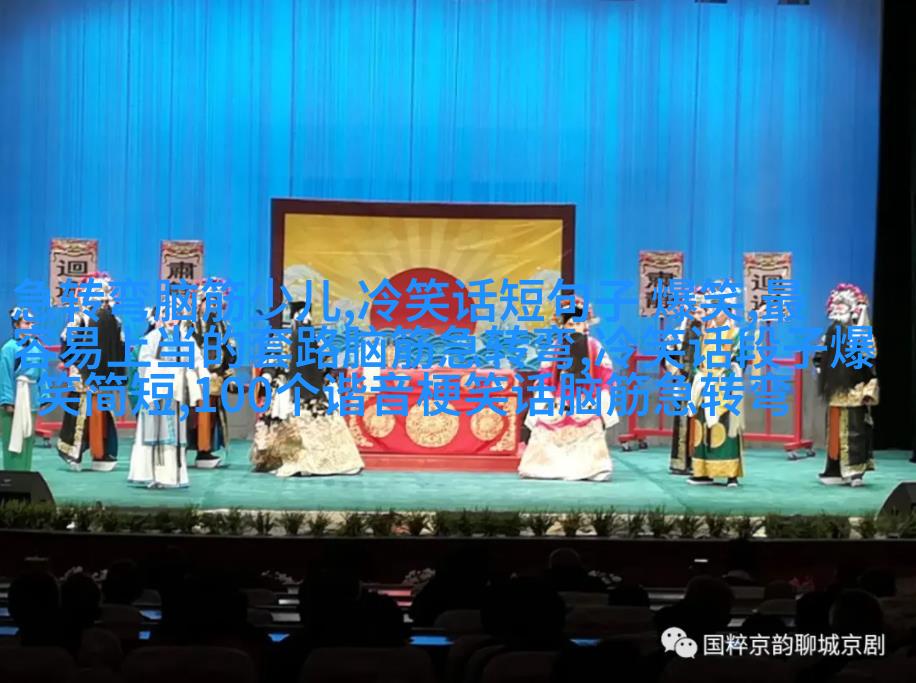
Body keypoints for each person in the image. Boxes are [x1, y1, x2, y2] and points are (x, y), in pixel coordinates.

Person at [250, 301, 364, 477]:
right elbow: (271, 363)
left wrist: (328, 377)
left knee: (322, 422)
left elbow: (326, 366)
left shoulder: (316, 341)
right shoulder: (281, 340)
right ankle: (290, 459)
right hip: (287, 390)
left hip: (315, 391)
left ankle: (329, 461)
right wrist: (267, 376)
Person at [519, 297, 617, 481]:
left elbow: (605, 373)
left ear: (585, 325)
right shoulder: (556, 348)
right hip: (558, 399)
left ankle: (591, 469)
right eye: (570, 324)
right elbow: (545, 374)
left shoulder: (594, 347)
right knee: (547, 421)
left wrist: (602, 394)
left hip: (585, 398)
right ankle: (543, 468)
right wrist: (544, 394)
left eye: (578, 324)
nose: (574, 328)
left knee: (588, 422)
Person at [127, 310, 206, 488]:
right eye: (167, 315)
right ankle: (149, 474)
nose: (171, 320)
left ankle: (171, 476)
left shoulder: (186, 338)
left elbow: (197, 361)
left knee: (173, 437)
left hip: (176, 396)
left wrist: (195, 374)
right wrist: (167, 370)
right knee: (151, 435)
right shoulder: (152, 337)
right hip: (155, 394)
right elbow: (143, 364)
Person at [57, 272, 126, 472]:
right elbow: (68, 342)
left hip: (102, 374)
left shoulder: (114, 320)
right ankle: (75, 454)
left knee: (102, 413)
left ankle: (102, 454)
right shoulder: (80, 318)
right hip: (83, 373)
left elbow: (118, 348)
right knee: (79, 413)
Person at [812, 284, 878, 486]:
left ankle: (855, 472)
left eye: (843, 305)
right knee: (834, 435)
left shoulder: (861, 334)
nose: (839, 308)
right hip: (835, 394)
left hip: (854, 392)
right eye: (836, 304)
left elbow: (869, 364)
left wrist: (868, 389)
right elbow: (818, 358)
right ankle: (834, 470)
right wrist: (822, 372)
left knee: (855, 433)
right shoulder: (830, 334)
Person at [686, 286, 748, 488]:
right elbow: (697, 358)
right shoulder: (705, 332)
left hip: (724, 385)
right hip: (705, 384)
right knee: (702, 428)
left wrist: (730, 372)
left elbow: (742, 359)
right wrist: (698, 373)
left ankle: (730, 473)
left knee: (726, 428)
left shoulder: (735, 333)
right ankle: (703, 472)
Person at [187, 278, 238, 469]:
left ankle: (205, 451)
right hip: (193, 377)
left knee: (210, 417)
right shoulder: (191, 325)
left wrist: (228, 374)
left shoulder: (223, 326)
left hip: (215, 378)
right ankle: (183, 450)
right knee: (191, 417)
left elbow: (229, 354)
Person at [1, 307, 46, 471]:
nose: (30, 327)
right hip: (15, 398)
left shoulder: (37, 347)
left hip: (31, 398)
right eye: (26, 323)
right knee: (13, 439)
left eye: (31, 323)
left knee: (28, 440)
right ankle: (12, 476)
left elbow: (42, 373)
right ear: (17, 325)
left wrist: (44, 396)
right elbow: (4, 375)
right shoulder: (9, 348)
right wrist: (7, 401)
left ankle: (25, 474)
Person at [666, 294, 704, 475]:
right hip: (684, 379)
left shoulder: (709, 332)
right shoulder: (679, 332)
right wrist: (677, 371)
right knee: (682, 420)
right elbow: (667, 353)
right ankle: (680, 463)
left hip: (703, 379)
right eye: (694, 311)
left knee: (700, 420)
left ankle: (700, 463)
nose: (698, 315)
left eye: (701, 311)